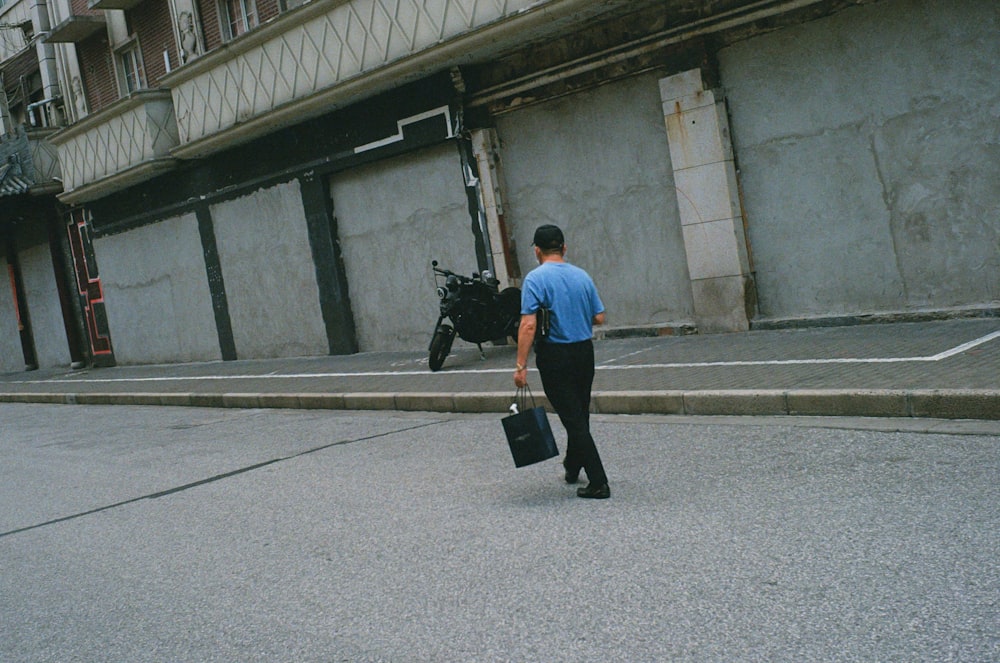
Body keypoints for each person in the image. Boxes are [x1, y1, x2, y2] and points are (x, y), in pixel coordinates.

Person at [514, 224, 610, 499]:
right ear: (564, 248)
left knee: (572, 418)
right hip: (583, 352)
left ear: (537, 251)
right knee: (579, 413)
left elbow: (528, 325)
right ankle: (572, 465)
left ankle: (599, 482)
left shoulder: (535, 279)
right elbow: (600, 317)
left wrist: (521, 365)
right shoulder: (582, 276)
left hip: (555, 355)